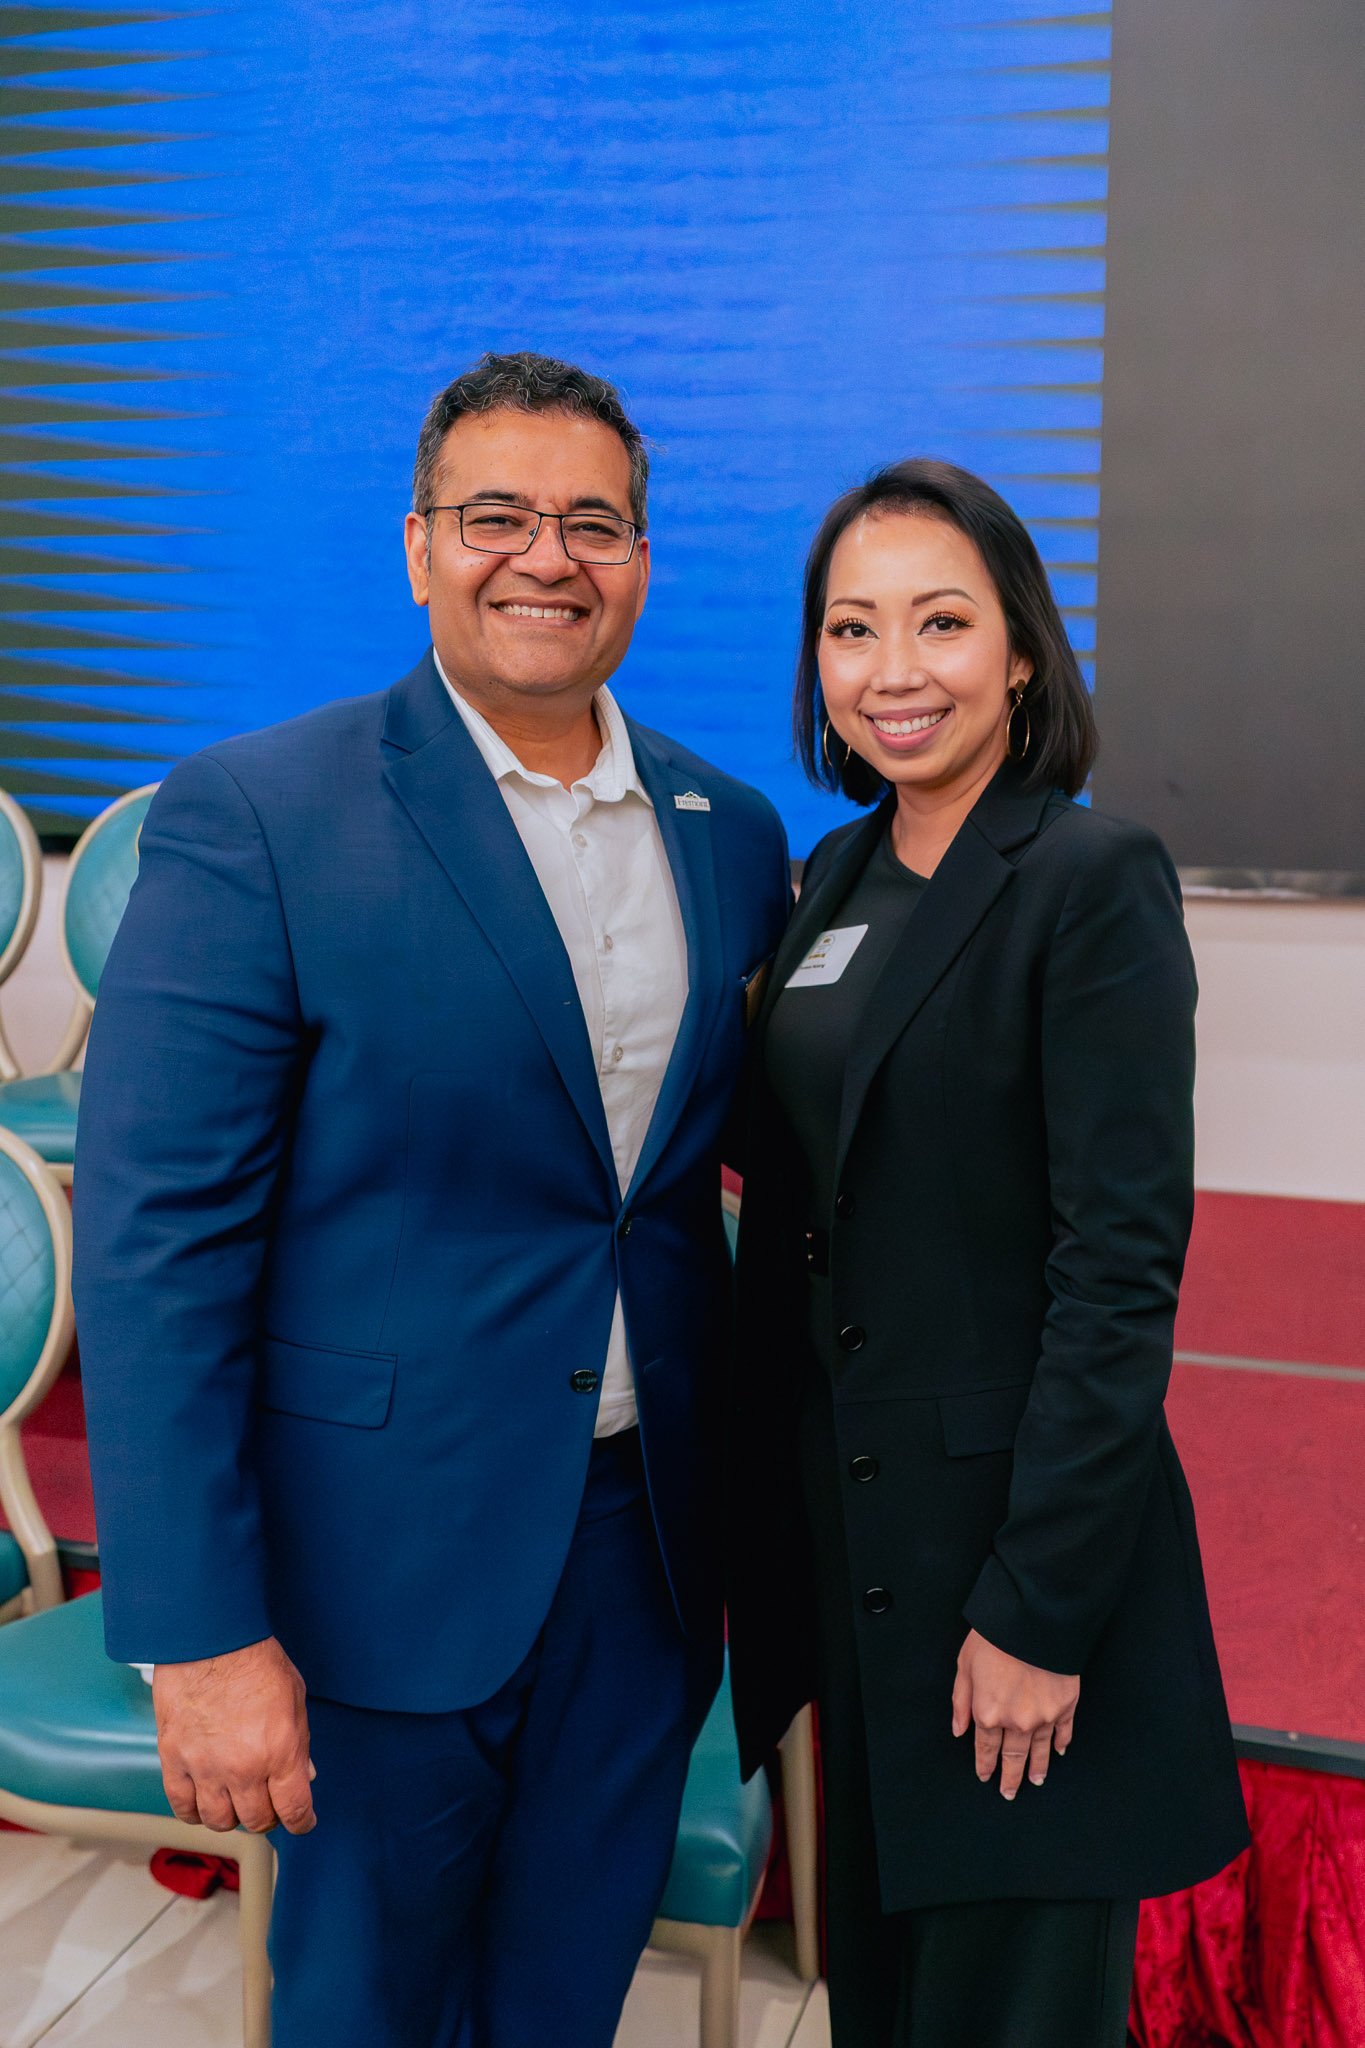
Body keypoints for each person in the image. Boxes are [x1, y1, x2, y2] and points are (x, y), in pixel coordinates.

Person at [73, 350, 791, 2048]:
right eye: (497, 518)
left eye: (594, 524)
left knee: (559, 1996)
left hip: (640, 1554)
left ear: (641, 559)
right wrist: (201, 1634)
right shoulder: (257, 814)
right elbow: (154, 1246)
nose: (547, 557)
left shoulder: (727, 831)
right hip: (371, 1565)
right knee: (367, 2010)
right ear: (418, 548)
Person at [725, 458, 1249, 2047]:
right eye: (851, 630)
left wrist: (1036, 1609)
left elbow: (1117, 1273)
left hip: (1008, 1571)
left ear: (1018, 648)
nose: (893, 673)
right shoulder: (829, 885)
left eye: (939, 624)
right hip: (863, 1560)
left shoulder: (1087, 882)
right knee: (883, 2011)